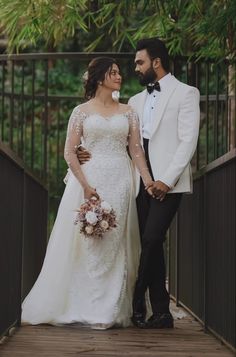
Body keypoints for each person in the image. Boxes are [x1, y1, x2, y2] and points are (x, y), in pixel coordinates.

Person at [21, 57, 154, 330]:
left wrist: (148, 180)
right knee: (86, 241)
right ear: (99, 77)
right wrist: (85, 185)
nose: (119, 76)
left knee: (114, 239)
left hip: (120, 179)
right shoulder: (80, 111)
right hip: (89, 178)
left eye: (119, 72)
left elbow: (136, 150)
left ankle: (110, 307)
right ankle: (83, 302)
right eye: (113, 72)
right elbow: (69, 151)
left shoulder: (129, 112)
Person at [78, 38, 200, 329]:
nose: (135, 68)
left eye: (139, 62)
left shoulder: (186, 93)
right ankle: (161, 313)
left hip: (168, 184)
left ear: (156, 62)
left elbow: (188, 141)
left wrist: (166, 181)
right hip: (137, 182)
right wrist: (84, 150)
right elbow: (117, 137)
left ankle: (135, 301)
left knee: (151, 238)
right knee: (151, 245)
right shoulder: (134, 101)